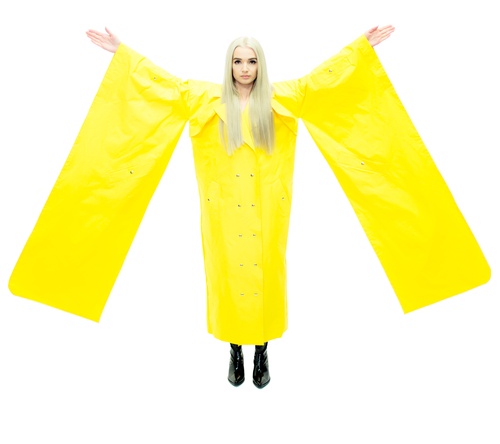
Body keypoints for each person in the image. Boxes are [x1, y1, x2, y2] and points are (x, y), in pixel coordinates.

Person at [9, 25, 489, 389]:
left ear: (260, 65)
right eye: (238, 61)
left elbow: (323, 83)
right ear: (229, 65)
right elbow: (161, 84)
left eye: (251, 61)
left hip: (267, 208)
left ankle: (261, 349)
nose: (244, 68)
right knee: (225, 278)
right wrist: (123, 53)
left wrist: (359, 49)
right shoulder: (204, 97)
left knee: (265, 275)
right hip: (220, 210)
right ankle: (234, 350)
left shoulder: (281, 98)